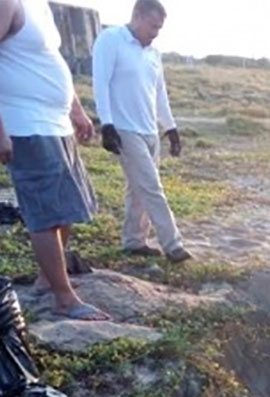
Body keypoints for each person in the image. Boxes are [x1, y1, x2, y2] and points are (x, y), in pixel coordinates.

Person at [0, 0, 110, 321]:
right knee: (44, 211)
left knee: (65, 206)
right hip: (25, 124)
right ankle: (64, 298)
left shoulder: (37, 4)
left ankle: (48, 279)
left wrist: (76, 110)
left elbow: (45, 59)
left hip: (56, 123)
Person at [91, 0, 192, 263]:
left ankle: (134, 241)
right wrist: (107, 124)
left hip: (149, 131)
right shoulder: (111, 39)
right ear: (137, 16)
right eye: (152, 25)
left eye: (160, 28)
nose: (156, 32)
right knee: (151, 187)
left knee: (137, 190)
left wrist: (170, 129)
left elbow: (159, 95)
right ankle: (174, 245)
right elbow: (100, 83)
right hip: (124, 129)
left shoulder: (154, 54)